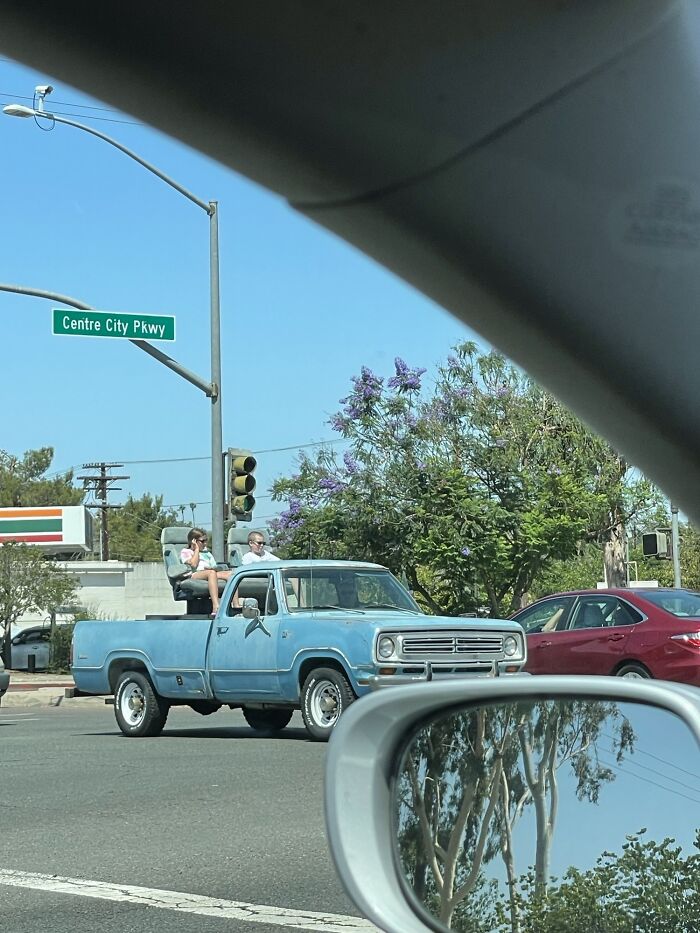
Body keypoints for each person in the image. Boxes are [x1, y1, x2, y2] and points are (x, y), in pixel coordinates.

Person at [180, 528, 234, 616]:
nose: (205, 543)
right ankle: (216, 606)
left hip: (209, 573)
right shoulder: (186, 552)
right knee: (211, 573)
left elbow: (215, 567)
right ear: (193, 541)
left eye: (206, 540)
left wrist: (212, 568)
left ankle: (235, 605)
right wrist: (196, 550)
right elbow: (193, 564)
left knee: (231, 575)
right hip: (194, 574)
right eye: (202, 541)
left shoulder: (207, 553)